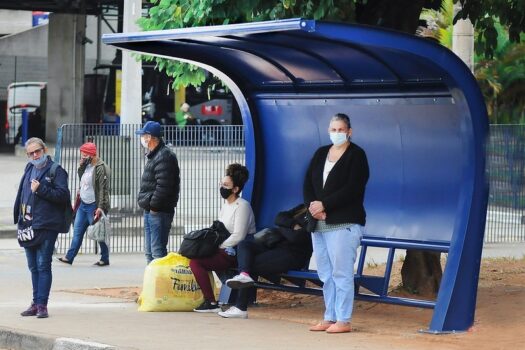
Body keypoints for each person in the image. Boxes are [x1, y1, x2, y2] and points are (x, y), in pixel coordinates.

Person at [303, 113, 369, 334]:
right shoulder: (321, 153)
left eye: (341, 130)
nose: (337, 133)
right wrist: (314, 208)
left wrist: (325, 205)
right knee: (326, 273)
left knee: (341, 273)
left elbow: (353, 189)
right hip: (319, 224)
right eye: (333, 129)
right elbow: (308, 183)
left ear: (349, 131)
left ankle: (344, 319)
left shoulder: (357, 155)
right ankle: (329, 316)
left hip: (344, 223)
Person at [218, 204, 312, 319]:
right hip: (276, 247)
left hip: (294, 255)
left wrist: (282, 228)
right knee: (244, 244)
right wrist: (292, 225)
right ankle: (244, 275)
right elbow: (279, 217)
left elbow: (297, 238)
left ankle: (241, 307)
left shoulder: (316, 215)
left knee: (249, 263)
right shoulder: (303, 207)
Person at [14, 137, 71, 318]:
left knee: (43, 264)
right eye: (31, 153)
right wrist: (19, 216)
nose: (35, 155)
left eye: (37, 151)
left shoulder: (56, 170)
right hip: (28, 224)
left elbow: (63, 196)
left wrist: (41, 190)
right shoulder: (29, 168)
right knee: (33, 266)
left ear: (44, 150)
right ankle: (35, 302)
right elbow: (23, 193)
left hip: (47, 224)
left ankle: (42, 305)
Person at [190, 163, 256, 313]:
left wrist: (219, 246)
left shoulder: (242, 206)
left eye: (225, 185)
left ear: (235, 189)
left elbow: (239, 235)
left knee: (197, 262)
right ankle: (211, 301)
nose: (222, 187)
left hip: (237, 250)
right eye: (221, 183)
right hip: (224, 248)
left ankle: (211, 301)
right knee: (195, 257)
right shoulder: (226, 205)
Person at [58, 142, 111, 266]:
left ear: (92, 155)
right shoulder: (86, 166)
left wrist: (100, 207)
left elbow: (104, 189)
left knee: (98, 232)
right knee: (77, 232)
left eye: (84, 155)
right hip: (83, 205)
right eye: (81, 155)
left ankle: (105, 258)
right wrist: (81, 166)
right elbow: (83, 180)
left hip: (94, 205)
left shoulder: (101, 168)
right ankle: (69, 257)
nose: (82, 158)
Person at [135, 121, 180, 264]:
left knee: (157, 251)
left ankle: (160, 284)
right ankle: (153, 283)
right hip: (151, 210)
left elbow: (164, 186)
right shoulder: (156, 155)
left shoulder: (164, 156)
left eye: (144, 135)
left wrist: (154, 206)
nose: (142, 138)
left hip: (158, 211)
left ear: (152, 137)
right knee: (150, 252)